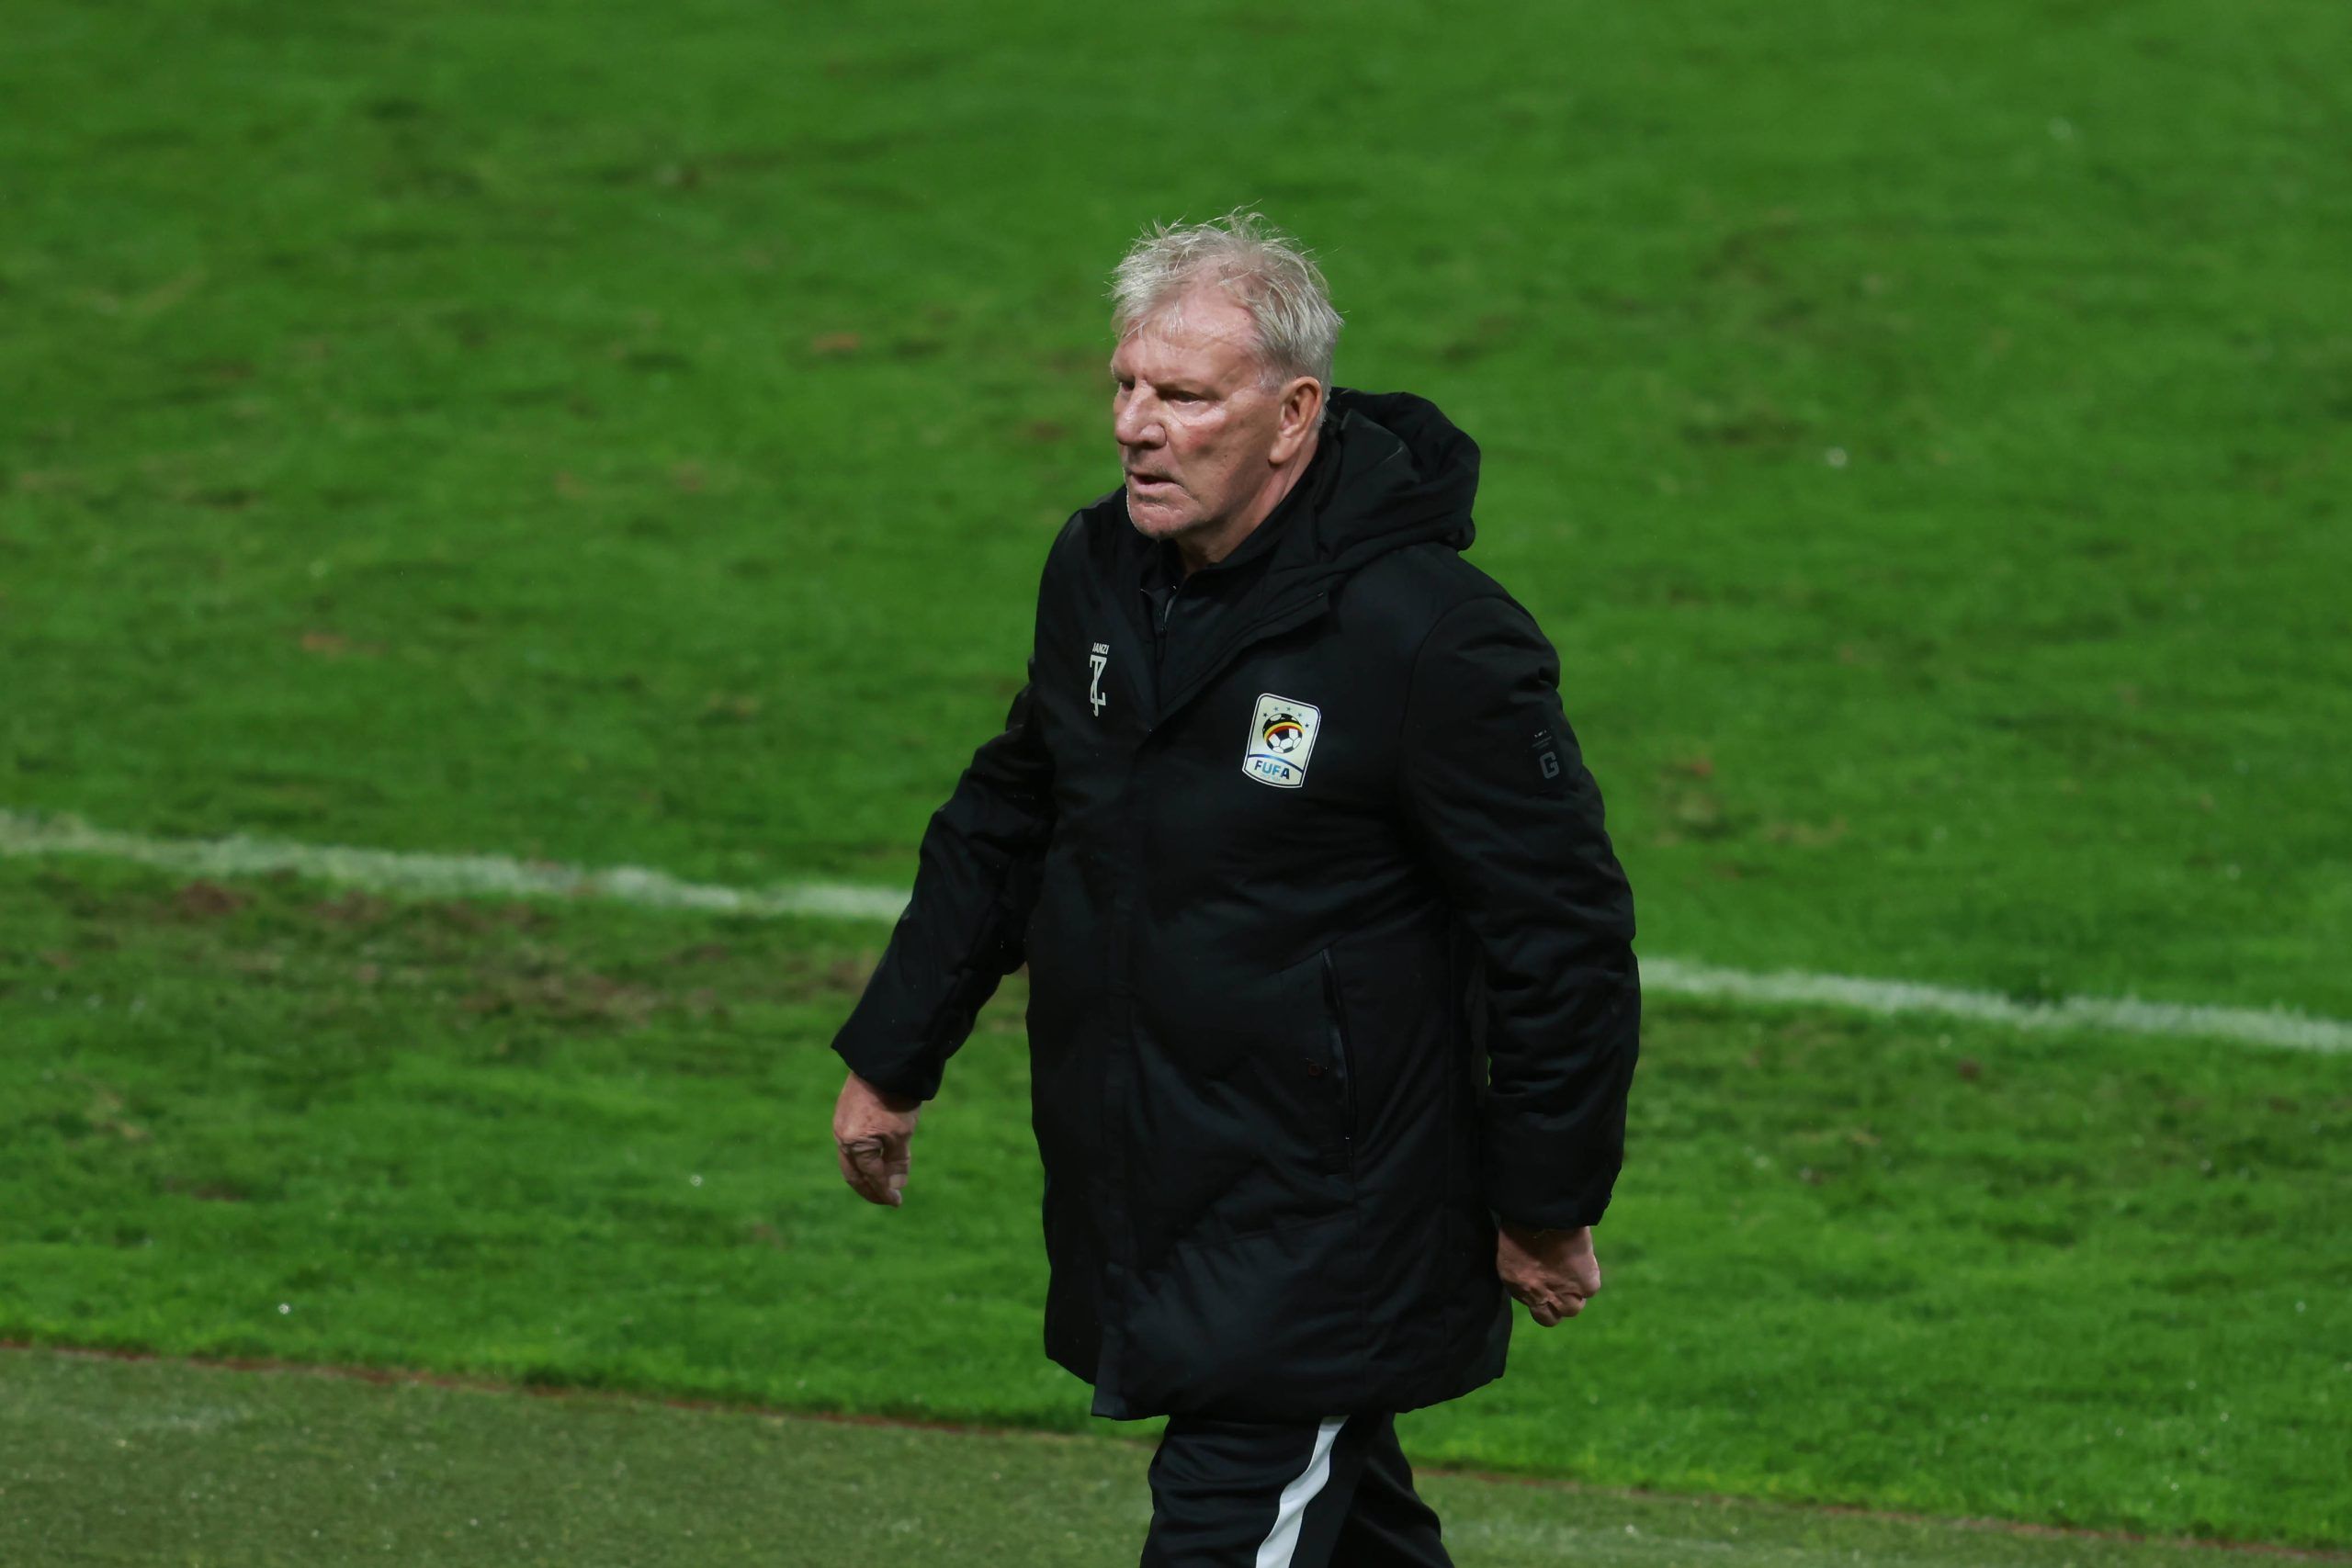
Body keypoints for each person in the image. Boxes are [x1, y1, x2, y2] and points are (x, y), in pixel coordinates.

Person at [830, 209, 1640, 1567]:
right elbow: (1010, 818)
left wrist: (1546, 1200)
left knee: (1226, 1522)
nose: (1138, 426)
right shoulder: (1097, 572)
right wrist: (896, 1054)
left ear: (1292, 414)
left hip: (1332, 1221)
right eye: (1126, 386)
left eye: (1185, 397)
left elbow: (1559, 938)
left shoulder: (1433, 638)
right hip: (1161, 1187)